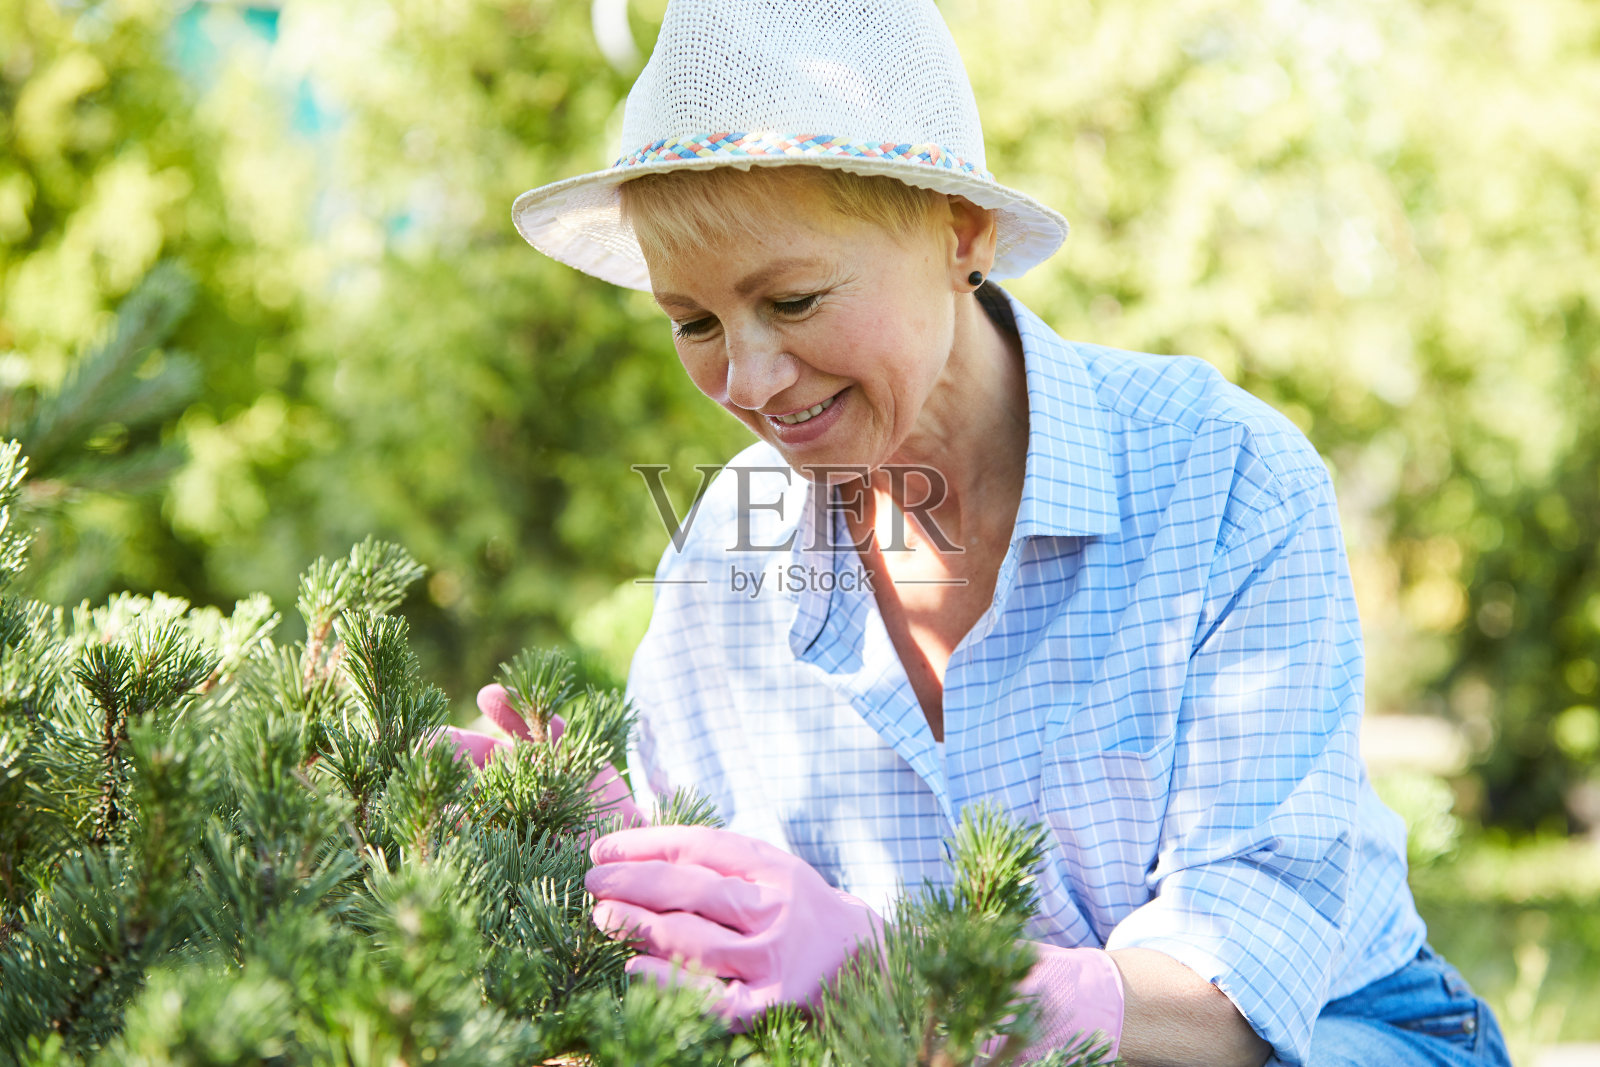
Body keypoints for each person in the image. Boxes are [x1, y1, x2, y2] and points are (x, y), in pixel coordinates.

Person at [451, 2, 1513, 1064]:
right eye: (693, 321)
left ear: (961, 233)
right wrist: (622, 853)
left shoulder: (1221, 476)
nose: (746, 378)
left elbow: (1230, 1006)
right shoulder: (724, 547)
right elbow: (735, 965)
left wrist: (880, 963)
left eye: (796, 298)